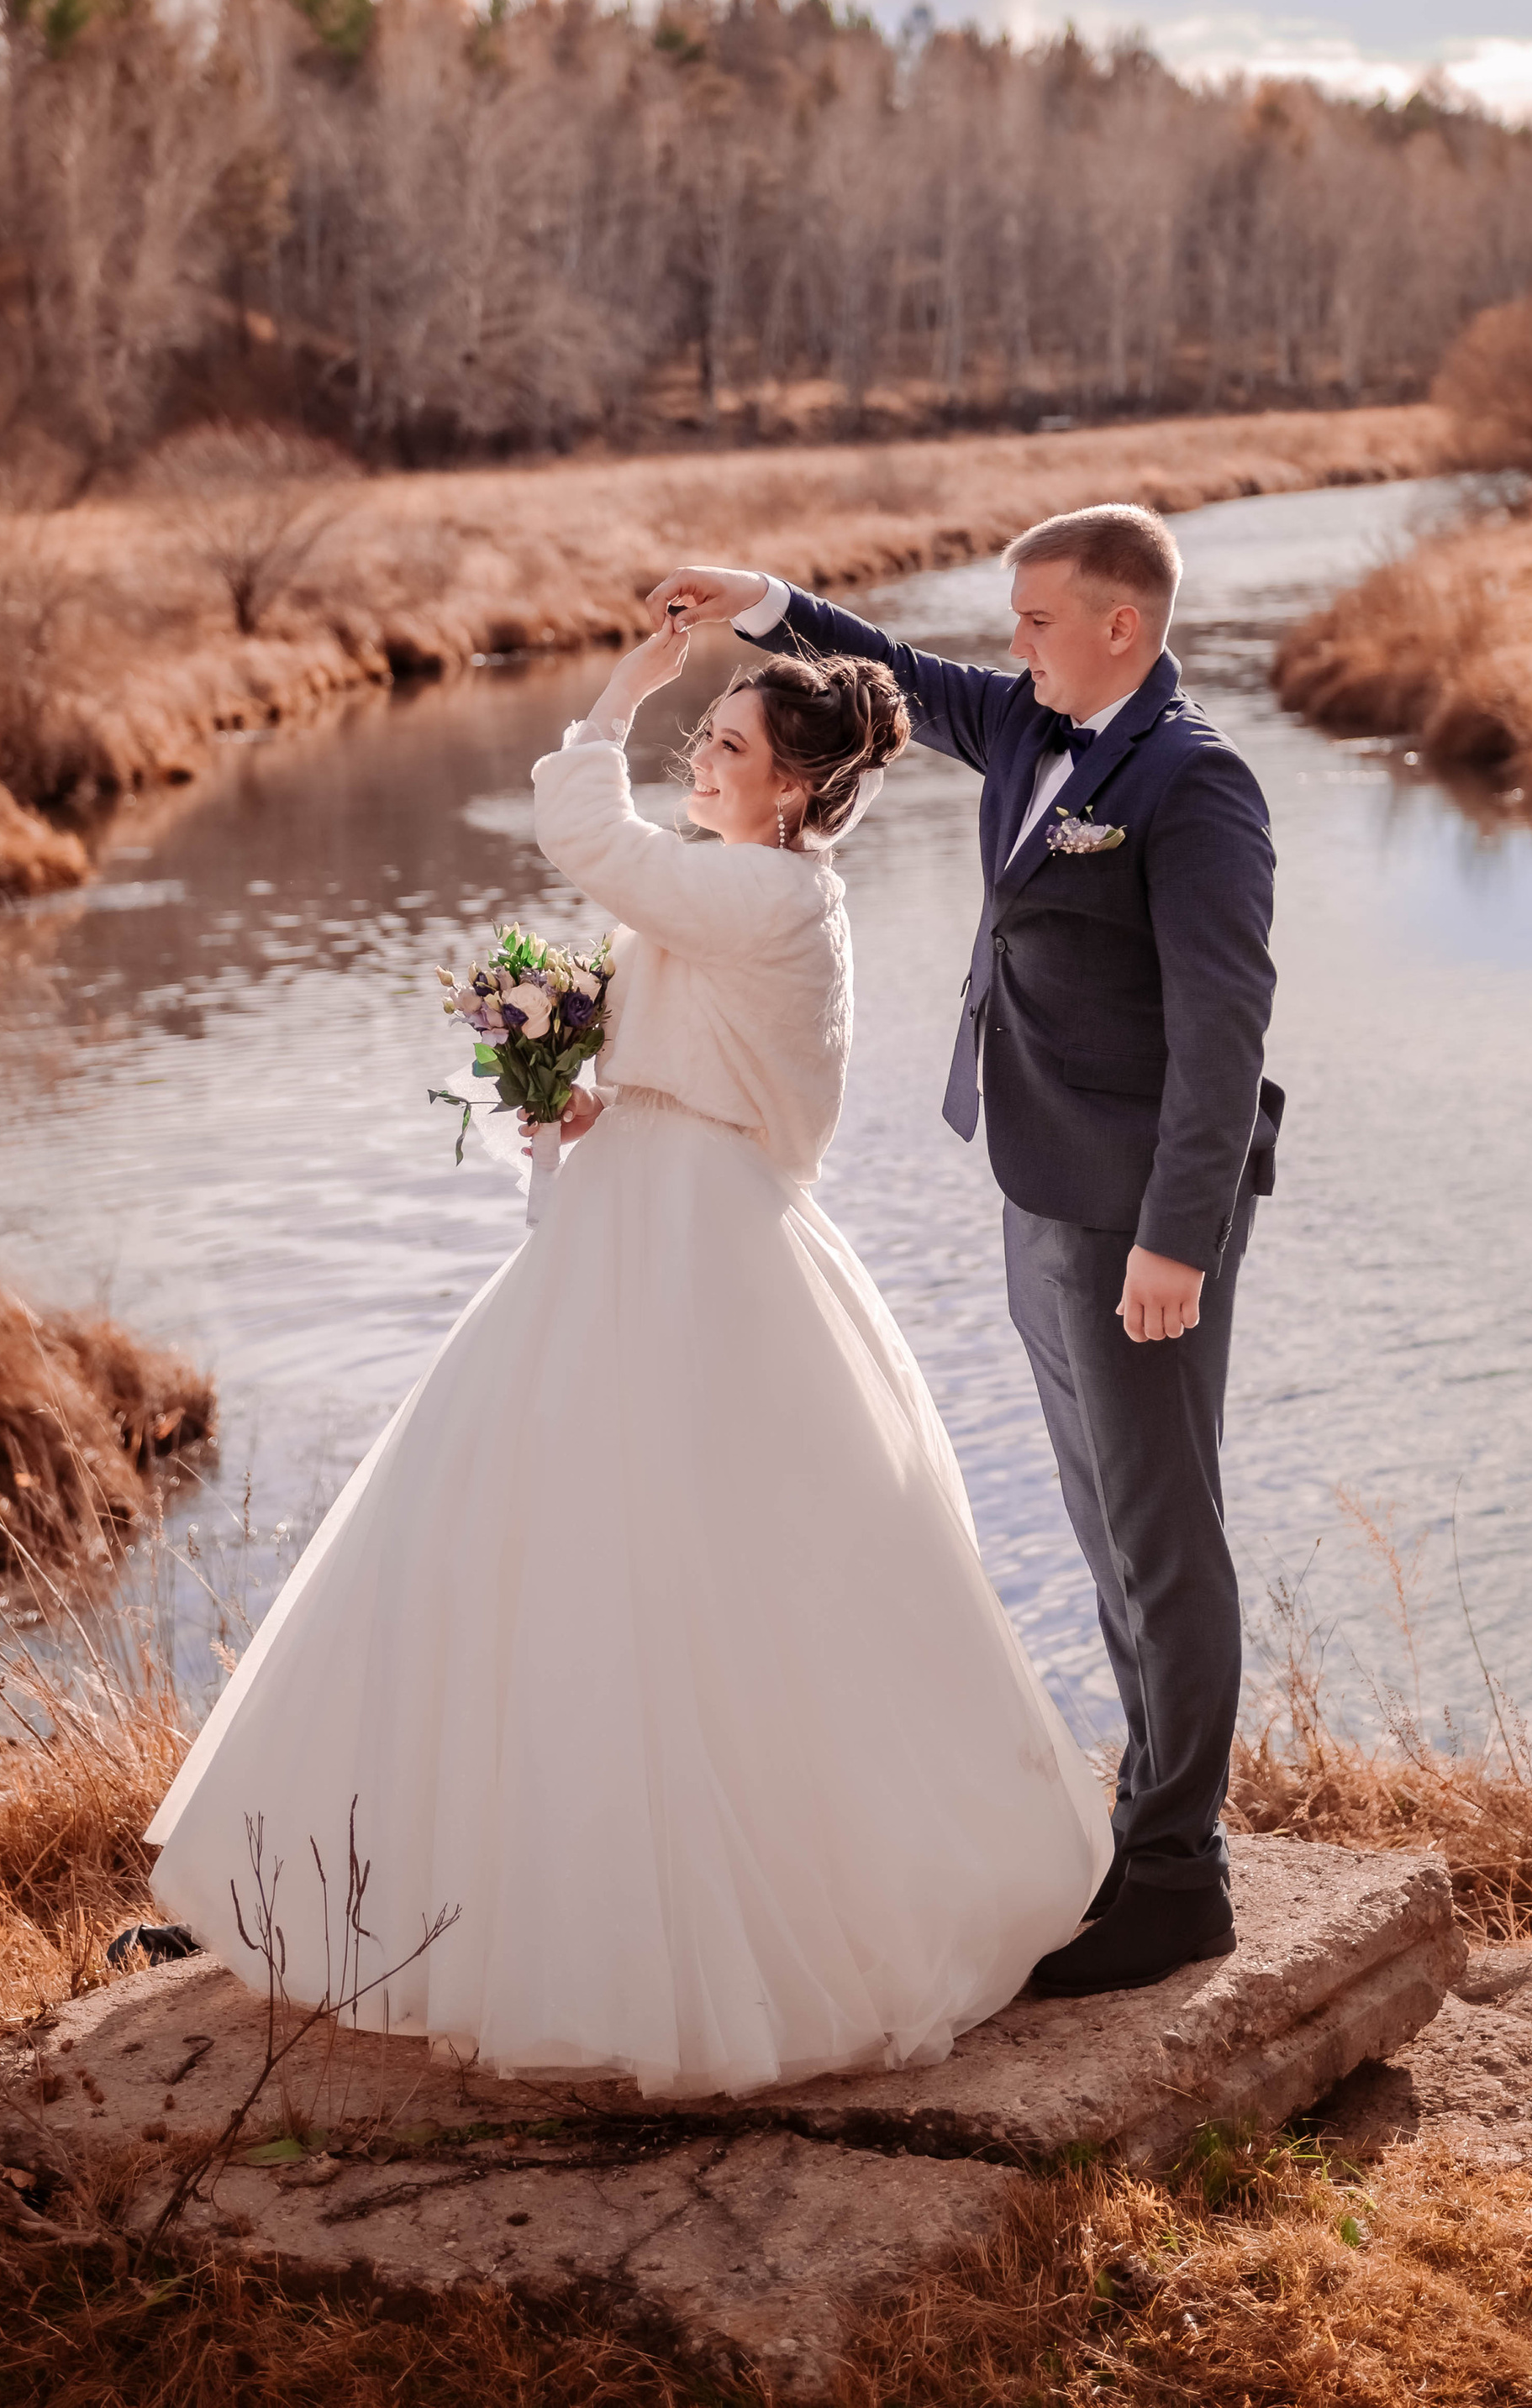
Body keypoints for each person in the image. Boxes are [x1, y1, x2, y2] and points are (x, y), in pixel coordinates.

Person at [145, 613, 1109, 2098]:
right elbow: (679, 1036)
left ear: (794, 790)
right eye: (700, 736)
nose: (697, 758)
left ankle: (693, 1929)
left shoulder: (767, 893)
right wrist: (580, 1095)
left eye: (727, 745)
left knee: (684, 1548)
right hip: (644, 1205)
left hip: (691, 1238)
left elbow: (588, 837)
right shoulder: (743, 891)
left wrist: (612, 697)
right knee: (542, 1524)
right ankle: (469, 1889)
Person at [646, 509, 1280, 1995]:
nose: (1013, 642)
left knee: (1164, 1533)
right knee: (1106, 1525)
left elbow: (1224, 1030)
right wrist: (764, 601)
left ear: (1122, 626)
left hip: (1141, 1219)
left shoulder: (1194, 781)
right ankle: (1143, 1829)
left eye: (1038, 619)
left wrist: (1177, 1239)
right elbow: (902, 673)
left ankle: (1180, 1876)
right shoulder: (1031, 725)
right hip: (1042, 1184)